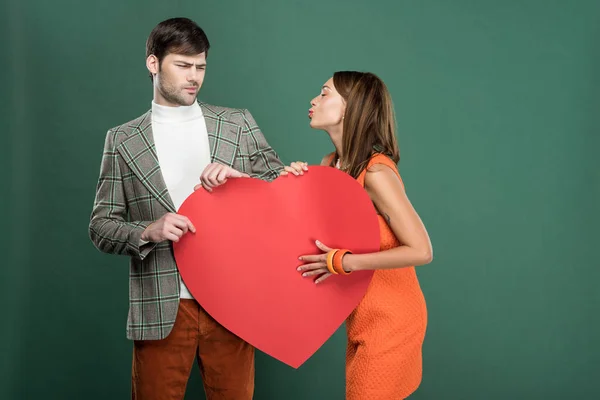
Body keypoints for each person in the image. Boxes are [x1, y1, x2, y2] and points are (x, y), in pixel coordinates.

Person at [88, 17, 284, 399]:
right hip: (161, 308)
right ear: (153, 64)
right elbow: (100, 226)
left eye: (201, 67)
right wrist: (147, 230)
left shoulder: (237, 124)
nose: (194, 76)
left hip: (232, 303)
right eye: (183, 65)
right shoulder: (123, 140)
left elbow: (284, 191)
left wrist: (239, 180)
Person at [282, 71, 433, 399]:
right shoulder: (331, 164)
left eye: (324, 94)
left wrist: (345, 262)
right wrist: (294, 183)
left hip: (392, 318)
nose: (313, 100)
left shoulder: (376, 172)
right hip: (359, 318)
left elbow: (422, 250)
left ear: (351, 108)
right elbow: (313, 237)